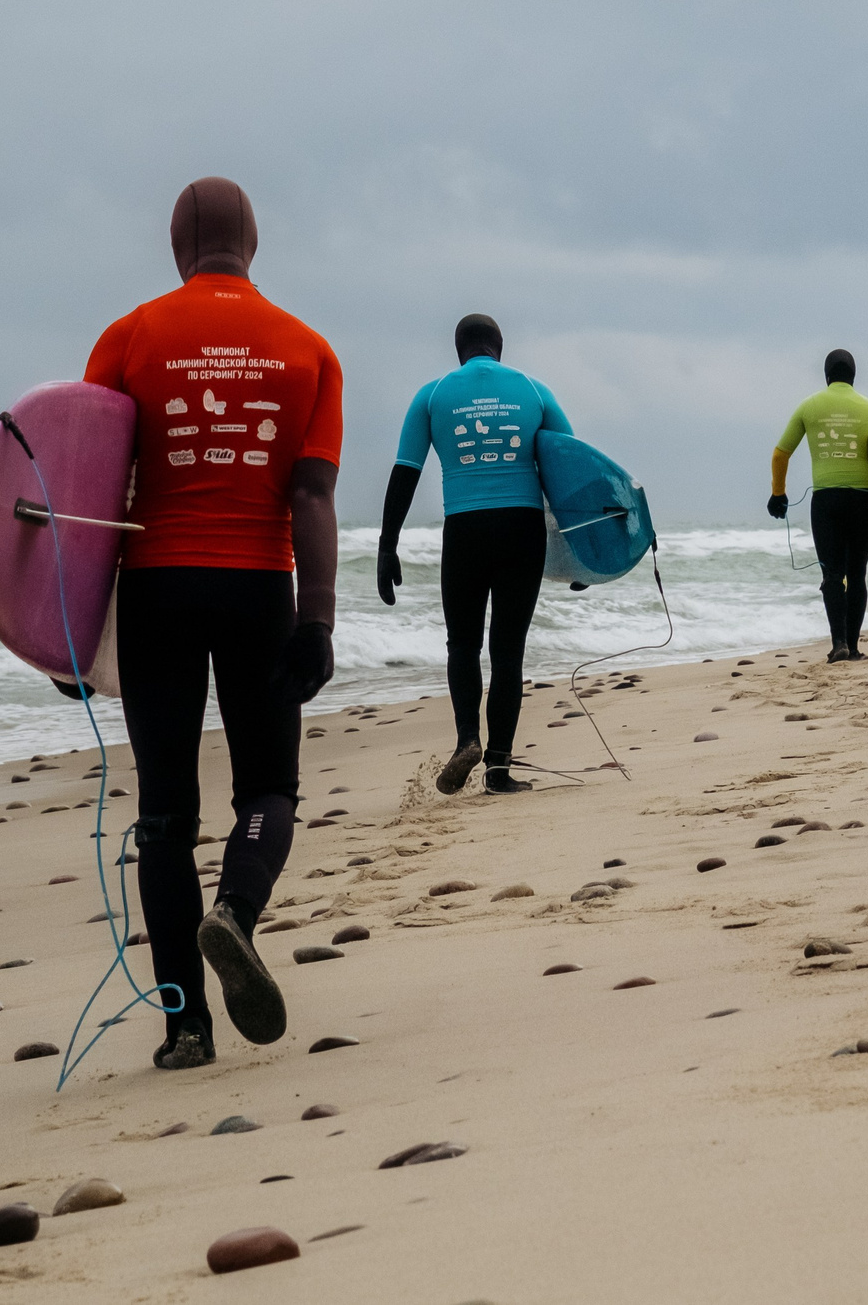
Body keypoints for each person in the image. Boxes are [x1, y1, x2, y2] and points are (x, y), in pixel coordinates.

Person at [82, 176, 342, 1071]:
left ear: (177, 245)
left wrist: (68, 629)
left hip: (155, 591)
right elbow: (312, 493)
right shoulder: (308, 348)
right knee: (268, 787)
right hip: (259, 588)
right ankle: (234, 909)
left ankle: (185, 1028)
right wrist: (317, 620)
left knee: (164, 814)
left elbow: (90, 494)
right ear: (253, 242)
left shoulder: (127, 337)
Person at [377, 314, 570, 796]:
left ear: (458, 349)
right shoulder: (534, 390)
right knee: (508, 651)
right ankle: (499, 770)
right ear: (499, 347)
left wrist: (387, 545)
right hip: (522, 528)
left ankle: (467, 739)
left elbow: (405, 471)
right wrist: (582, 550)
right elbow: (570, 466)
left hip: (464, 529)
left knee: (462, 644)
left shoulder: (433, 395)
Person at [768, 348, 868, 662]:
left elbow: (781, 454)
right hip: (865, 502)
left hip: (826, 502)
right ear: (853, 376)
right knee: (857, 574)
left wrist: (778, 494)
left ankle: (839, 644)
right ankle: (854, 647)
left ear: (827, 375)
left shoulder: (809, 406)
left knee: (832, 574)